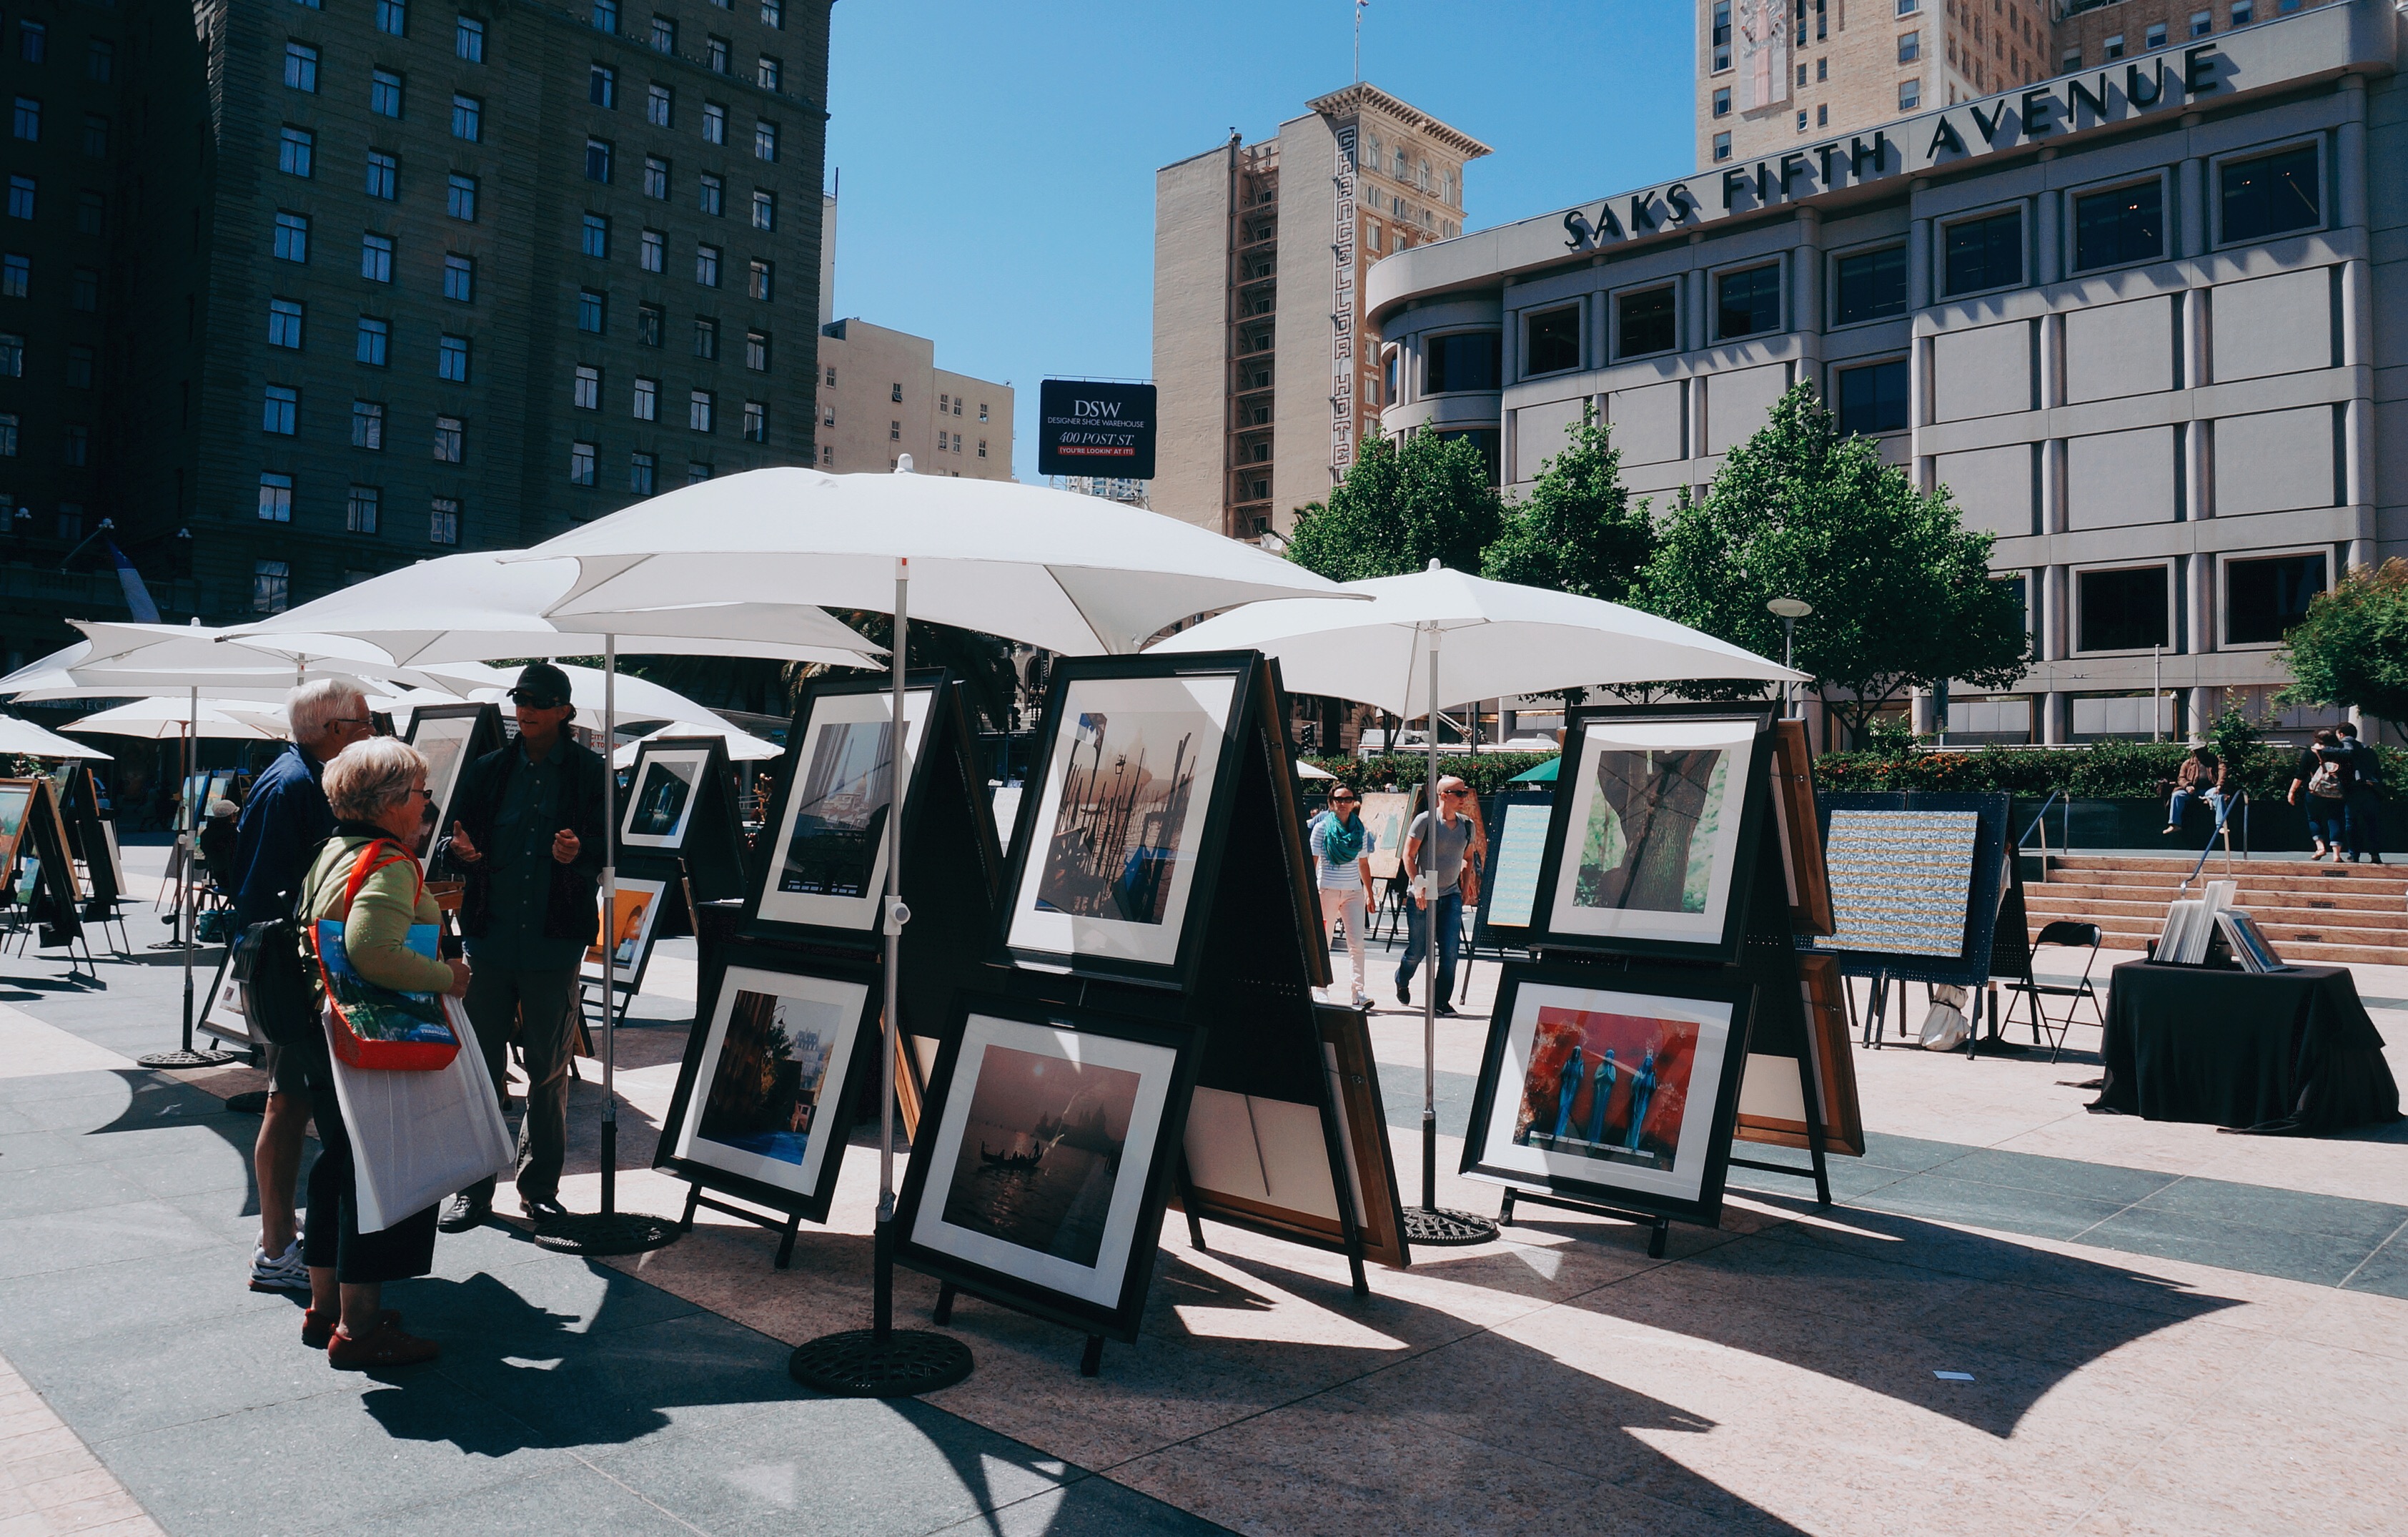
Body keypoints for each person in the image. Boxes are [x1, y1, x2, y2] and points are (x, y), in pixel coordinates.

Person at [298, 737, 470, 1368]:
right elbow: (374, 952)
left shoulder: (333, 851)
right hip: (367, 1036)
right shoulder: (391, 861)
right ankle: (360, 1328)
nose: (426, 803)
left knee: (336, 1165)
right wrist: (448, 978)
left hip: (321, 1028)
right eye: (421, 792)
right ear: (394, 802)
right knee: (376, 1173)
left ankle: (324, 1310)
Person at [435, 663, 608, 1229]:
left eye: (537, 700)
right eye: (519, 699)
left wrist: (576, 855)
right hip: (490, 939)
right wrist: (461, 852)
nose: (525, 708)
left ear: (563, 709)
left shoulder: (591, 772)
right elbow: (457, 838)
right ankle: (473, 1190)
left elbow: (611, 848)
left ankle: (539, 1187)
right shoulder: (489, 769)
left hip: (554, 944)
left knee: (547, 1069)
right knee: (479, 1070)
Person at [229, 680, 375, 1295]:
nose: (373, 731)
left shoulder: (292, 775)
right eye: (366, 722)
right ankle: (276, 1247)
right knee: (287, 1103)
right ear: (335, 728)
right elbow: (269, 891)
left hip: (289, 965)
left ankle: (279, 1237)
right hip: (292, 970)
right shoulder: (295, 783)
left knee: (289, 1101)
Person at [1395, 776, 1480, 1016]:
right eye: (1459, 793)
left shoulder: (1467, 825)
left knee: (1451, 952)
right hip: (1424, 893)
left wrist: (1465, 889)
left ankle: (1441, 1000)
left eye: (1465, 792)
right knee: (1418, 950)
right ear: (1443, 795)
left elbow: (1469, 858)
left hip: (1451, 894)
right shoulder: (1425, 821)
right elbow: (1408, 856)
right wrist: (1418, 885)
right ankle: (1402, 979)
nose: (1464, 797)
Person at [1308, 786, 1376, 1009]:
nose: (1343, 803)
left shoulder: (1361, 831)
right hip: (1326, 890)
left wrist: (1369, 894)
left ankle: (1359, 992)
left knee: (1357, 944)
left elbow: (1363, 864)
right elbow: (1313, 862)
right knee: (1323, 942)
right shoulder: (1321, 829)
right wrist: (1308, 893)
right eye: (1339, 799)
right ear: (1331, 802)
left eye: (1348, 799)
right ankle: (1320, 989)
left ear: (1354, 802)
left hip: (1353, 893)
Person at [2287, 728, 2353, 861]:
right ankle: (2336, 855)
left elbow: (2300, 775)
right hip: (2336, 792)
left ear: (2316, 739)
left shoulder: (2310, 753)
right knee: (2335, 819)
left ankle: (2320, 847)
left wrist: (2292, 792)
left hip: (2314, 792)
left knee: (2314, 818)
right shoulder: (2340, 753)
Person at [2335, 722, 2387, 865]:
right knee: (2372, 823)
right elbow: (2378, 770)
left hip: (2353, 789)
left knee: (2351, 823)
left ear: (2341, 734)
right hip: (2371, 790)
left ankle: (2354, 854)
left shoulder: (2345, 746)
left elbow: (2347, 755)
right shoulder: (2368, 750)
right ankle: (2375, 854)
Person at [2161, 745, 2229, 836]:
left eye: (2202, 751)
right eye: (2197, 752)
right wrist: (2187, 786)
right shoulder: (2188, 763)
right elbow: (2181, 778)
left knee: (2219, 796)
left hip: (2209, 789)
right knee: (2177, 795)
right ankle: (2175, 824)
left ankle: (2221, 826)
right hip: (2192, 790)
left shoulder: (2215, 761)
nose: (2200, 754)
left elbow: (2222, 771)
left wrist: (2219, 785)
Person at [1585, 1047, 1618, 1145]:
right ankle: (1590, 1135)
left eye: (1611, 1057)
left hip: (1606, 1093)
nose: (1610, 1058)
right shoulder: (1601, 1066)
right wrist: (1604, 1075)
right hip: (1598, 1092)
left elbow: (1613, 1080)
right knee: (1595, 1112)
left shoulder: (1612, 1069)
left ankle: (1596, 1136)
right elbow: (1596, 1078)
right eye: (1609, 1056)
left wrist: (1608, 1076)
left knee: (1601, 1115)